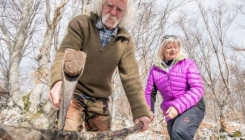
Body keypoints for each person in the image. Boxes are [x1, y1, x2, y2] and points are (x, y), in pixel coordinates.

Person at [47, 0, 151, 132]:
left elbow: (131, 77)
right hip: (73, 92)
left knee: (103, 136)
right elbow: (65, 54)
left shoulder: (124, 40)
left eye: (119, 9)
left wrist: (140, 111)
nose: (113, 13)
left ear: (125, 14)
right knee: (68, 133)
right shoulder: (81, 24)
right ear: (100, 5)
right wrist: (57, 84)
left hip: (99, 98)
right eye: (109, 6)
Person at [145, 35, 206, 140]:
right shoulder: (154, 71)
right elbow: (150, 92)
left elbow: (197, 88)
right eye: (169, 47)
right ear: (162, 50)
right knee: (175, 135)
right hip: (170, 110)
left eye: (175, 47)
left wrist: (177, 107)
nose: (173, 50)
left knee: (179, 132)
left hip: (193, 105)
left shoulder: (188, 64)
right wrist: (148, 110)